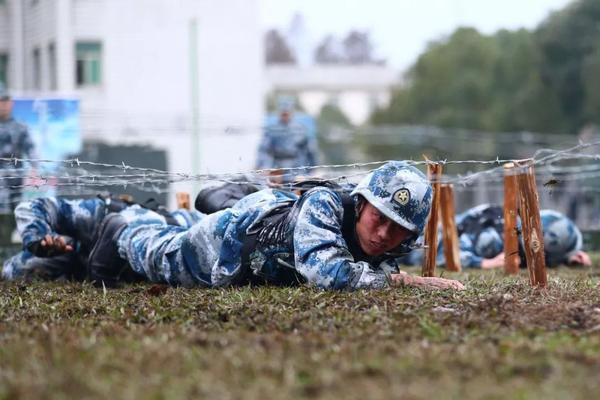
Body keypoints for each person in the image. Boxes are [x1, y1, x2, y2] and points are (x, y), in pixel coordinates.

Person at [87, 161, 465, 291]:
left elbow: (373, 280)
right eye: (378, 219)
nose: (383, 234)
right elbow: (328, 273)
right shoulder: (327, 203)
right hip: (230, 246)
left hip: (275, 216)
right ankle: (122, 229)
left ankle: (227, 195)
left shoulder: (384, 246)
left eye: (398, 229)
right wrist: (411, 282)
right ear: (362, 203)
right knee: (161, 256)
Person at [1, 195, 203, 281]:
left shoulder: (91, 217)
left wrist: (38, 236)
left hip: (185, 226)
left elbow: (30, 207)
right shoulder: (78, 272)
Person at [402, 204, 592, 269]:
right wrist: (484, 263)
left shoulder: (513, 225)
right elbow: (447, 254)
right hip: (409, 246)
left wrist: (570, 255)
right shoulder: (493, 239)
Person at [256, 97, 319, 183]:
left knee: (297, 189)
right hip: (277, 167)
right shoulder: (272, 130)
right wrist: (264, 167)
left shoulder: (300, 129)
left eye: (287, 113)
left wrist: (312, 169)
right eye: (283, 113)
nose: (285, 115)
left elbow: (309, 151)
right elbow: (264, 150)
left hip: (296, 167)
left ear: (291, 113)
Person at [0, 82, 35, 210]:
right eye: (0, 101)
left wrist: (34, 168)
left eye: (6, 101)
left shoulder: (20, 127)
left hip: (16, 177)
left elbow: (30, 149)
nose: (3, 105)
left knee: (16, 209)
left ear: (11, 103)